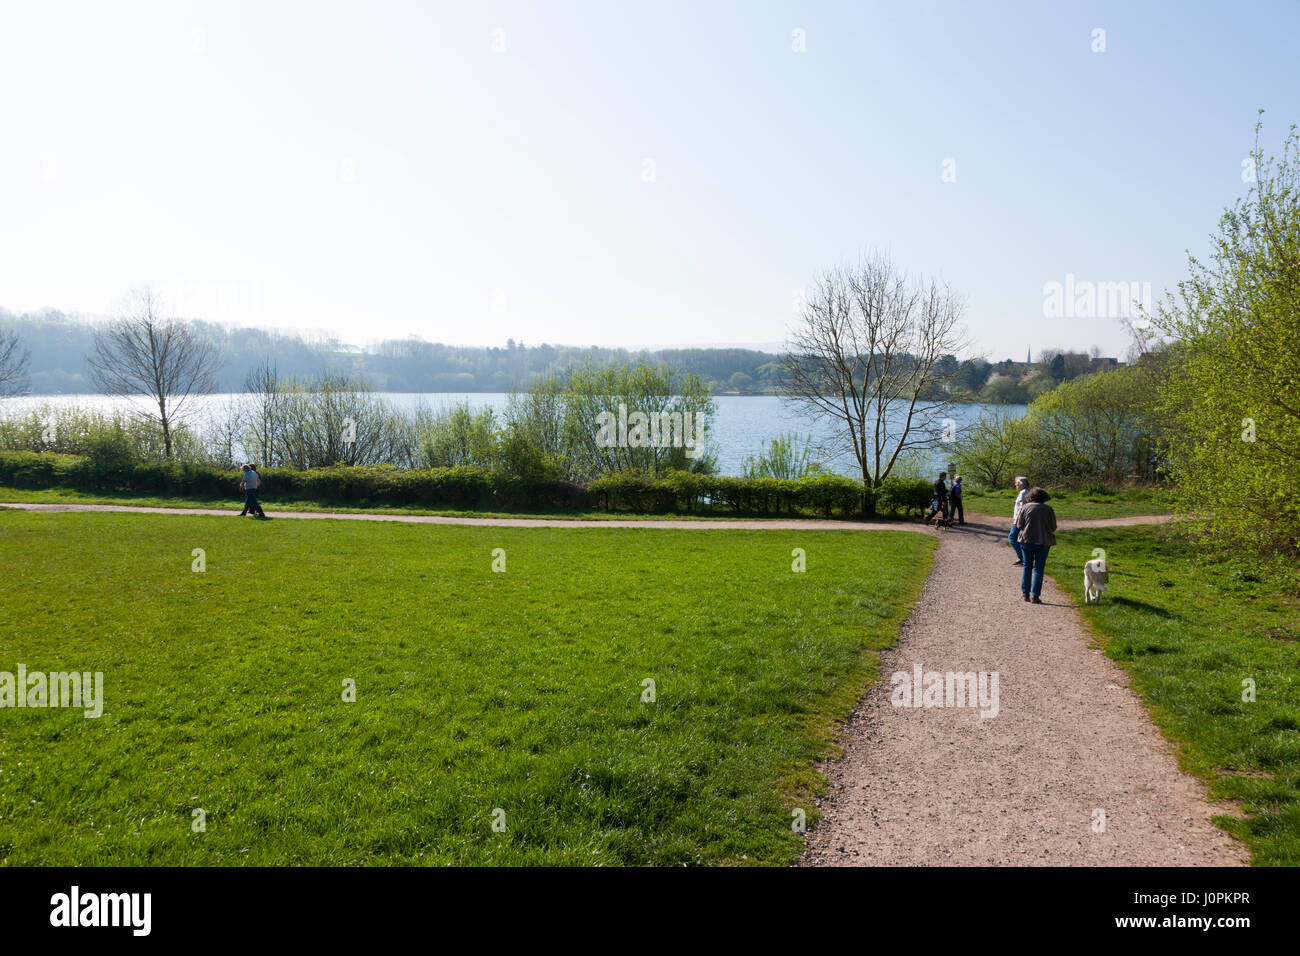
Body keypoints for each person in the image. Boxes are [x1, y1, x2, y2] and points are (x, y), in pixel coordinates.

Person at [1015, 487, 1057, 603]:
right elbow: (1053, 527)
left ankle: (1025, 594)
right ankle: (1035, 596)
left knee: (1027, 566)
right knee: (1039, 569)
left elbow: (1019, 525)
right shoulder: (1048, 509)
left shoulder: (1025, 507)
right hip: (1043, 541)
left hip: (1026, 540)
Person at [1009, 476, 1029, 565]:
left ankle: (1023, 558)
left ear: (1021, 484)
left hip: (1020, 519)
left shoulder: (1023, 492)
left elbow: (1022, 507)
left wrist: (1016, 520)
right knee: (1019, 538)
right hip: (1023, 518)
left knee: (1012, 537)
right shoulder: (1026, 491)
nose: (1015, 484)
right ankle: (1024, 558)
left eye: (1016, 483)